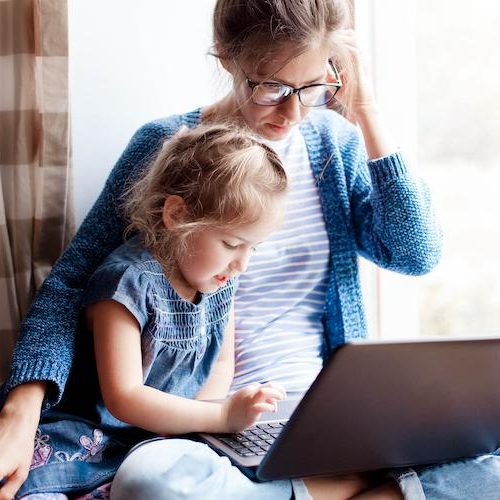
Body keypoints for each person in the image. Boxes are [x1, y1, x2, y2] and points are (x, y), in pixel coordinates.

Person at [1, 0, 498, 498]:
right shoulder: (172, 148)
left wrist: (365, 113)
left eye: (311, 87)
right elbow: (73, 282)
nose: (293, 111)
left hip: (326, 415)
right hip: (217, 426)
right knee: (156, 481)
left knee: (487, 464)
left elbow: (414, 253)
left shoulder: (333, 146)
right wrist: (22, 409)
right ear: (225, 58)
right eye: (273, 88)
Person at [8, 123, 289, 498]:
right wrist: (221, 417)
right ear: (175, 215)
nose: (242, 264)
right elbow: (123, 396)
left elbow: (222, 364)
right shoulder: (127, 283)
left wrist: (200, 423)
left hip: (155, 440)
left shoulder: (220, 282)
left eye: (253, 248)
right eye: (231, 243)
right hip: (87, 439)